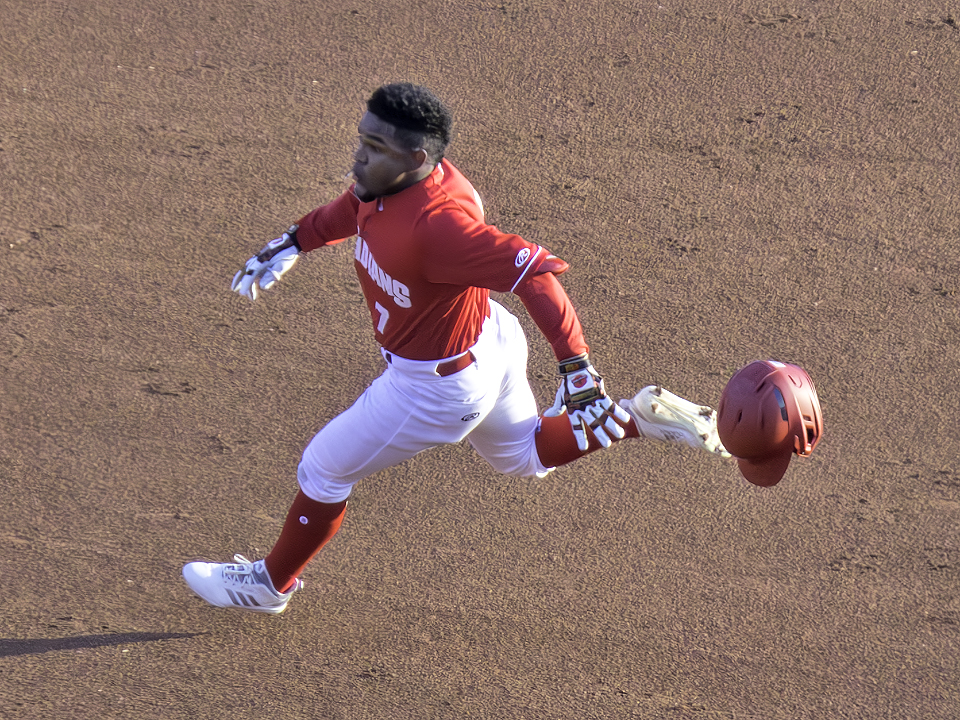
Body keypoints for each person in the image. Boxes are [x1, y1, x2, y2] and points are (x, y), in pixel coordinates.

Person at [182, 83, 729, 614]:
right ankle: (637, 419)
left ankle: (270, 584)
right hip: (489, 341)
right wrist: (297, 238)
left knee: (323, 471)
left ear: (416, 157)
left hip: (432, 387)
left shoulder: (439, 225)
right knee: (525, 458)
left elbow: (535, 274)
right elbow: (352, 209)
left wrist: (577, 369)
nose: (358, 158)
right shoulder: (389, 186)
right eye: (361, 139)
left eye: (374, 148)